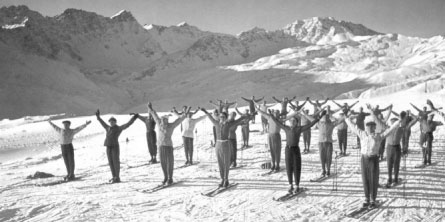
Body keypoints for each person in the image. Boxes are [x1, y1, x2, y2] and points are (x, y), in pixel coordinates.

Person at [345, 104, 400, 208]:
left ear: (374, 128)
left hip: (373, 159)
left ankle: (373, 199)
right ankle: (366, 198)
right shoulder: (362, 134)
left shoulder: (378, 136)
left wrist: (398, 122)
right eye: (367, 128)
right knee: (365, 179)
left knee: (373, 179)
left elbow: (390, 130)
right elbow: (353, 127)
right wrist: (346, 118)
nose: (368, 129)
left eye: (370, 128)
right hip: (364, 159)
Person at [268, 109, 326, 193]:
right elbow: (277, 122)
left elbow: (311, 124)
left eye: (294, 121)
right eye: (291, 121)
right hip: (288, 149)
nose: (292, 122)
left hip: (295, 149)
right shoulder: (286, 128)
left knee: (296, 167)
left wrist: (320, 117)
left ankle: (297, 185)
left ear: (297, 122)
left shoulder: (299, 129)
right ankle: (290, 184)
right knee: (289, 167)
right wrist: (271, 115)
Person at [201, 108, 252, 187]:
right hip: (218, 144)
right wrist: (205, 111)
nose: (221, 118)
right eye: (220, 117)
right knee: (220, 162)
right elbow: (210, 117)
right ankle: (222, 179)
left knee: (226, 162)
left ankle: (226, 179)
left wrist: (245, 116)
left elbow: (238, 120)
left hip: (225, 144)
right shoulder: (216, 123)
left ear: (226, 117)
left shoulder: (228, 124)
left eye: (223, 117)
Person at [147, 103, 188, 185]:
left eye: (165, 120)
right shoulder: (159, 124)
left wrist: (184, 115)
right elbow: (155, 116)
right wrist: (151, 109)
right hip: (161, 146)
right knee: (163, 162)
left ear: (167, 120)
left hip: (168, 146)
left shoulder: (171, 126)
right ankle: (165, 176)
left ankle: (170, 177)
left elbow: (178, 121)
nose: (163, 121)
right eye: (162, 119)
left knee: (169, 162)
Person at [375, 112, 418, 188]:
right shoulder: (387, 128)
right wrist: (373, 113)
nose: (392, 124)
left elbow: (414, 120)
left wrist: (410, 114)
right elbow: (379, 121)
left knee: (396, 164)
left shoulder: (402, 128)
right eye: (392, 123)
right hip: (389, 148)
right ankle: (389, 178)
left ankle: (395, 179)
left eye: (394, 123)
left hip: (397, 148)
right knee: (389, 164)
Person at [96, 110, 138, 183]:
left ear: (115, 122)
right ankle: (114, 176)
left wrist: (134, 118)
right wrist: (98, 117)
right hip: (108, 146)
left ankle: (117, 177)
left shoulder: (118, 128)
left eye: (113, 122)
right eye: (110, 122)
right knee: (111, 162)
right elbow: (102, 123)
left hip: (115, 146)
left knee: (116, 162)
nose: (111, 123)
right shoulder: (108, 128)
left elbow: (127, 124)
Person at [300, 109, 345, 176]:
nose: (325, 119)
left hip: (329, 142)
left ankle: (328, 170)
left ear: (328, 118)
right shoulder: (319, 124)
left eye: (326, 118)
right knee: (322, 157)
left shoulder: (331, 124)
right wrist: (305, 114)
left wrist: (345, 116)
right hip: (321, 143)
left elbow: (339, 121)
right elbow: (312, 119)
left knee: (329, 157)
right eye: (324, 118)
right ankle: (323, 170)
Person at [256, 107, 282, 171]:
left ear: (279, 114)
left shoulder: (280, 120)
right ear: (273, 113)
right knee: (272, 150)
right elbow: (263, 113)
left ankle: (277, 165)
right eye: (275, 113)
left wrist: (296, 112)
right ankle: (273, 164)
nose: (276, 114)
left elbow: (289, 117)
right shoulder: (270, 118)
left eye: (277, 113)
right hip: (270, 136)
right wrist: (258, 109)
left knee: (277, 151)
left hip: (276, 136)